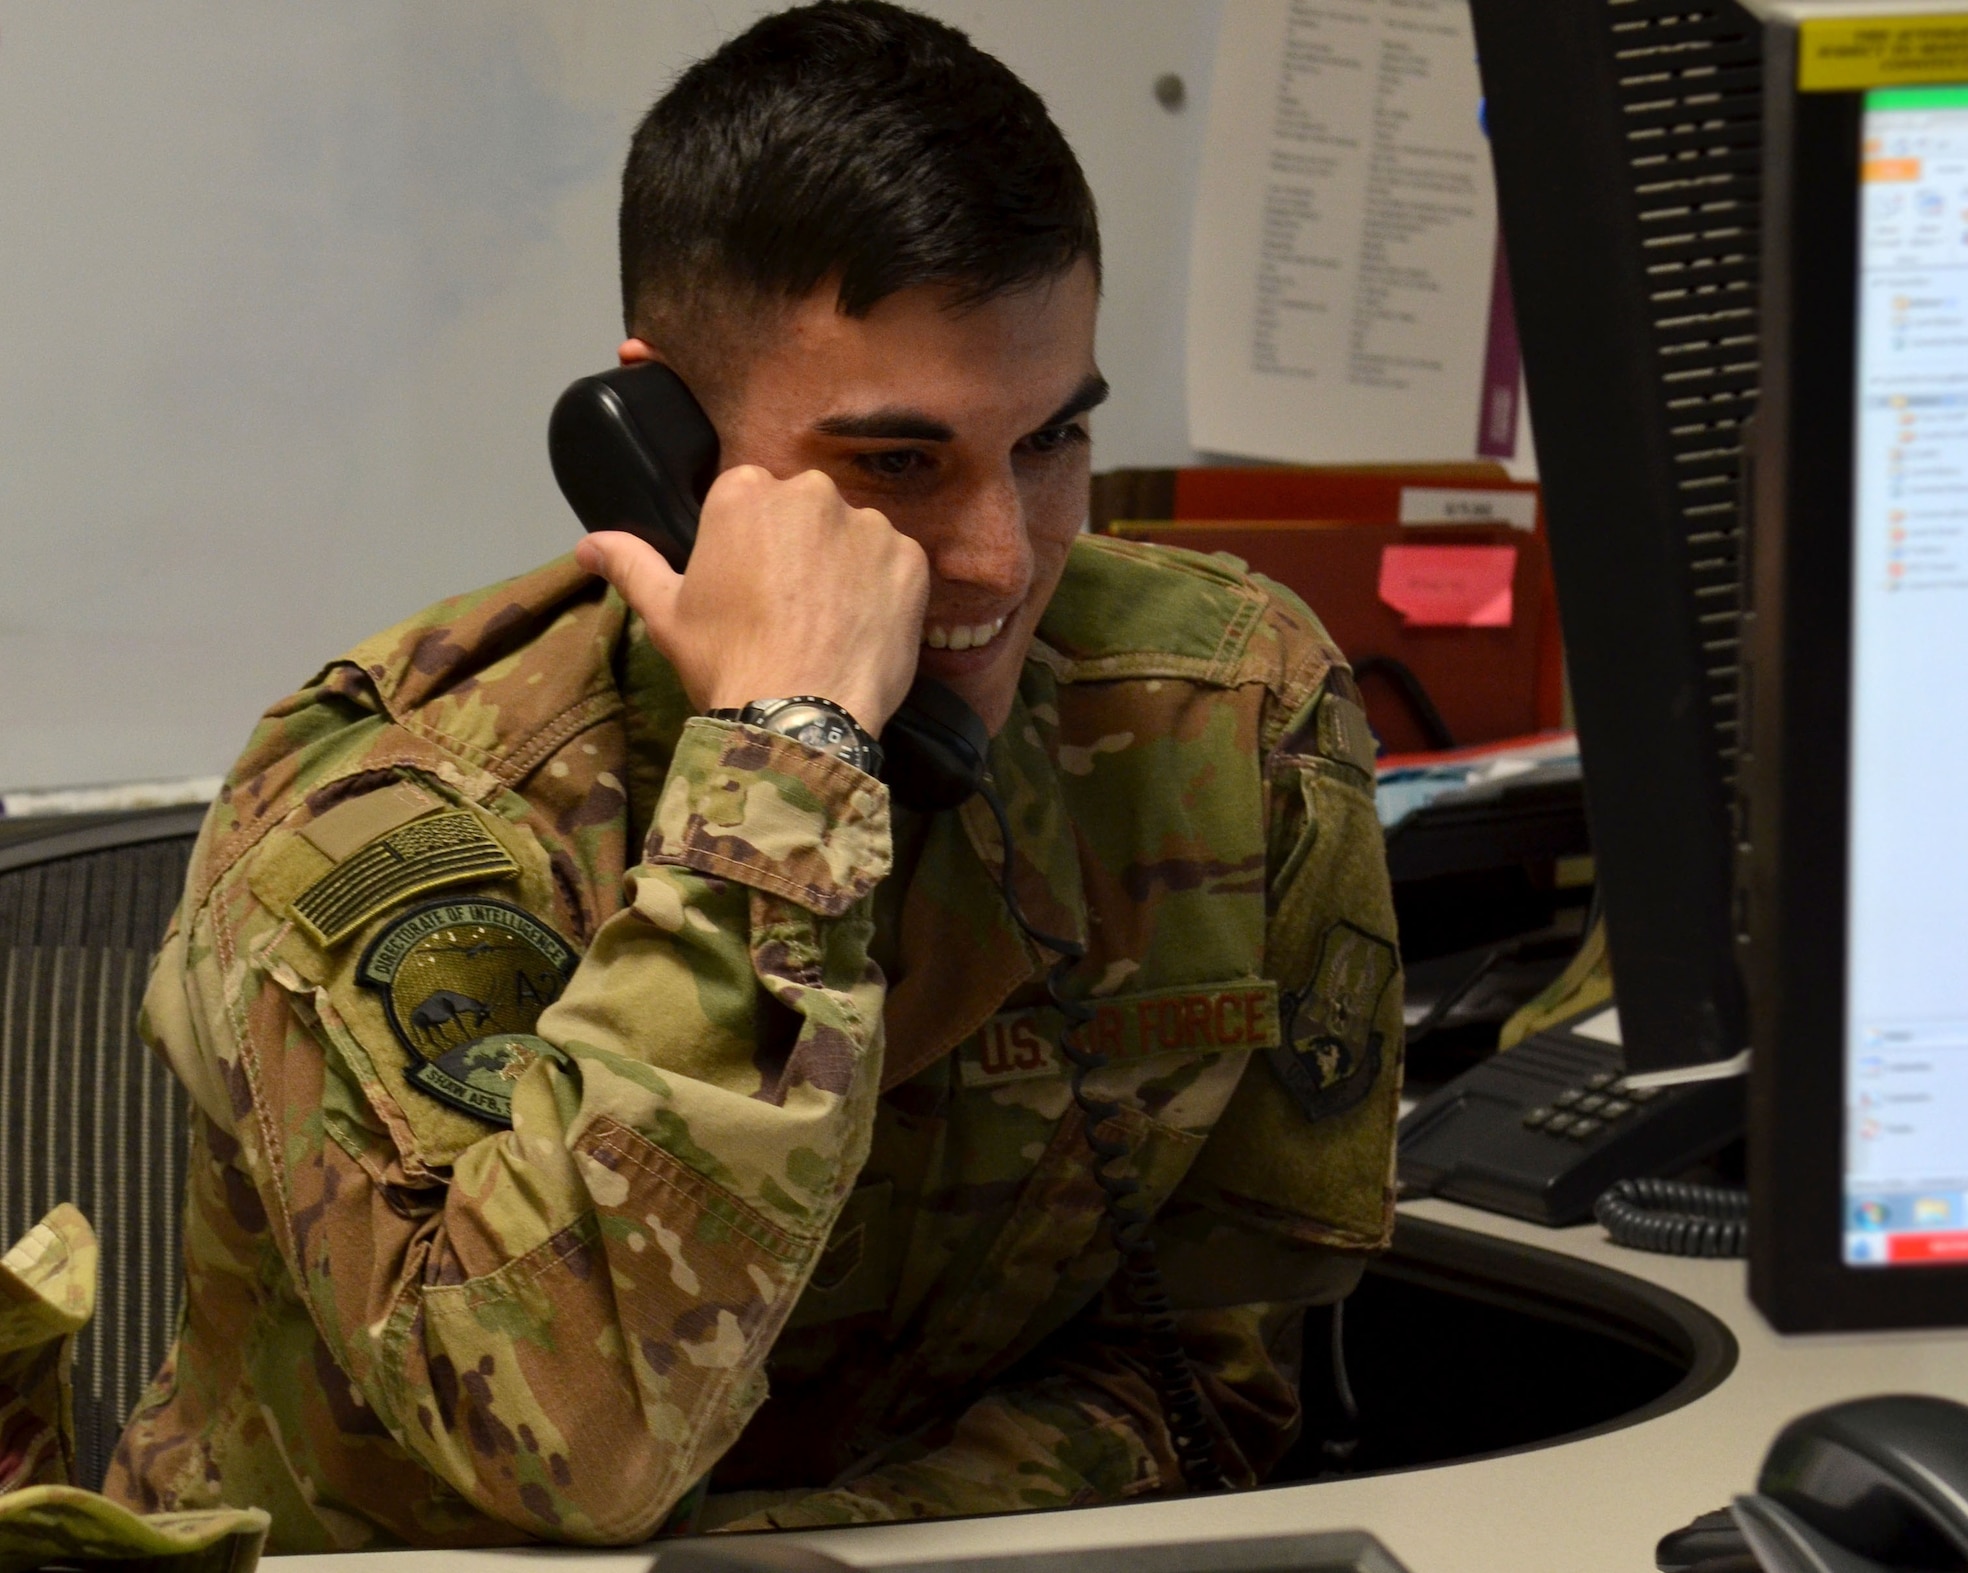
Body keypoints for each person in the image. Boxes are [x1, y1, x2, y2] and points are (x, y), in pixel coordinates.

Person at [107, 0, 1403, 1551]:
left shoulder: (1223, 715)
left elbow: (1206, 1366)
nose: (1004, 557)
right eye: (897, 465)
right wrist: (785, 766)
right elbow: (566, 1449)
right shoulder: (398, 812)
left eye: (1053, 440)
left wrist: (835, 1544)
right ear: (661, 436)